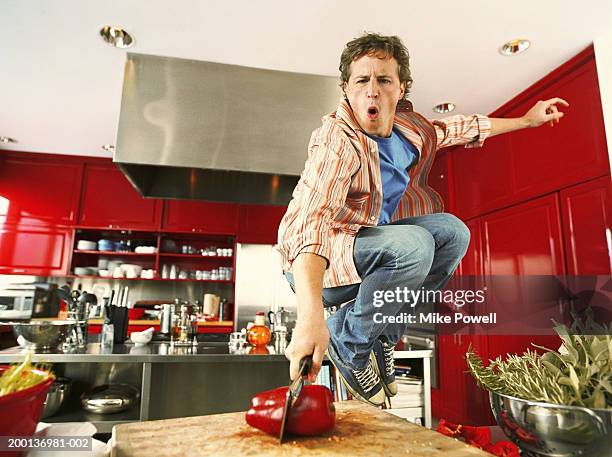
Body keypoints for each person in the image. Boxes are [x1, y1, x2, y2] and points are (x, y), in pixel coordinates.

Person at [276, 32, 568, 405]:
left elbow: (459, 129)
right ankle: (349, 343)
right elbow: (308, 223)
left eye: (383, 80)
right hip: (323, 268)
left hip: (369, 252)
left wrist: (526, 121)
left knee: (451, 232)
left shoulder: (410, 131)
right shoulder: (336, 140)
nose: (372, 91)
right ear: (346, 89)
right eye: (361, 81)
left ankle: (381, 335)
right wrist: (309, 317)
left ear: (401, 88)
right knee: (413, 245)